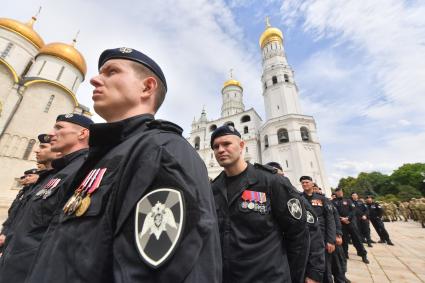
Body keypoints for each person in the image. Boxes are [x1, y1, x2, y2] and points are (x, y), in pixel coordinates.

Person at [27, 47, 221, 283]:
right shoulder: (107, 154)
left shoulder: (160, 151)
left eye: (111, 72)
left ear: (147, 87)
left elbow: (153, 272)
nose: (95, 79)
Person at [211, 125, 309, 283]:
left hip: (268, 276)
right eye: (216, 147)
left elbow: (298, 233)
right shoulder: (213, 189)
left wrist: (294, 277)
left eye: (226, 144)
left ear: (242, 145)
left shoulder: (271, 181)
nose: (220, 150)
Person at [0, 114, 92, 282]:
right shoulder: (58, 172)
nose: (51, 133)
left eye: (59, 128)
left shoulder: (83, 170)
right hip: (13, 267)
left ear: (82, 134)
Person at [268, 164, 325, 283]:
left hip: (295, 265)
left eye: (278, 176)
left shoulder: (298, 198)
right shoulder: (261, 200)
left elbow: (314, 235)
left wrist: (314, 272)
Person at [300, 176, 335, 283]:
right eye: (302, 182)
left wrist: (331, 240)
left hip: (322, 237)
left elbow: (330, 219)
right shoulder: (299, 197)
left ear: (312, 183)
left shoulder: (322, 199)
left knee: (325, 267)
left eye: (307, 182)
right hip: (305, 237)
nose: (305, 184)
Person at [332, 188, 369, 264]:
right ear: (336, 193)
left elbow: (353, 210)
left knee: (357, 239)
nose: (340, 193)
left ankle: (363, 255)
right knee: (344, 241)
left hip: (350, 223)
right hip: (341, 224)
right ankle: (345, 255)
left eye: (341, 191)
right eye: (338, 192)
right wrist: (341, 218)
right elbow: (333, 213)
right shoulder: (332, 202)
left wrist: (348, 218)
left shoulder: (348, 200)